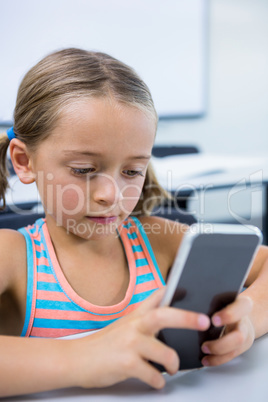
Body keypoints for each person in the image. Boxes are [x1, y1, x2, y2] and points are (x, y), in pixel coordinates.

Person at [0, 48, 267, 398]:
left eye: (131, 171)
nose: (111, 194)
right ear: (24, 161)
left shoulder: (158, 242)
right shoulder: (14, 257)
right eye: (83, 170)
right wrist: (84, 356)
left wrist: (248, 321)